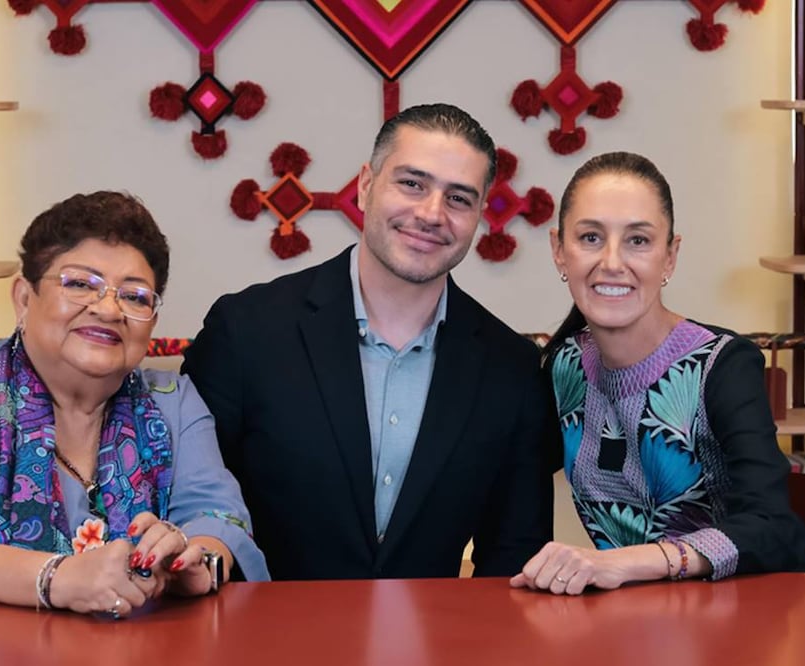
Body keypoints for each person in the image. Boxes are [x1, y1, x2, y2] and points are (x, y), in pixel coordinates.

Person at [0, 191, 269, 616]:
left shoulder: (173, 402)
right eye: (81, 284)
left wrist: (197, 563)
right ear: (24, 297)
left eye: (134, 295)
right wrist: (59, 578)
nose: (109, 309)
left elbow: (219, 518)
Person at [181, 103, 555, 580]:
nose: (431, 213)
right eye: (412, 183)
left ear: (480, 213)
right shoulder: (246, 330)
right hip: (259, 642)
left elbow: (514, 560)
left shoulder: (513, 369)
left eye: (459, 198)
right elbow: (190, 508)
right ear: (365, 184)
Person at [511, 151, 805, 596]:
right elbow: (505, 474)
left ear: (670, 256)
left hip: (754, 620)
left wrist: (623, 563)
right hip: (636, 626)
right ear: (560, 252)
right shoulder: (564, 366)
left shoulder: (722, 366)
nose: (612, 262)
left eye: (638, 240)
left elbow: (772, 526)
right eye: (591, 237)